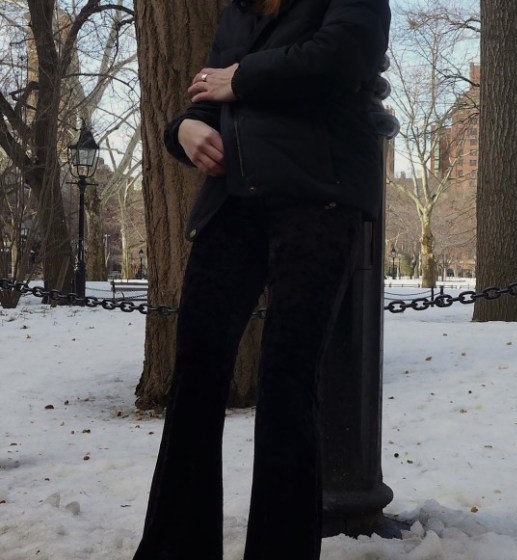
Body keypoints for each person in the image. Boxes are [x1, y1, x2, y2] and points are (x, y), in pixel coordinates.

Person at [132, 0, 391, 558]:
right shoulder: (239, 13)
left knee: (287, 382)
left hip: (317, 196)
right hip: (233, 201)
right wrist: (184, 130)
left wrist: (241, 79)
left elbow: (342, 57)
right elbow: (207, 93)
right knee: (195, 376)